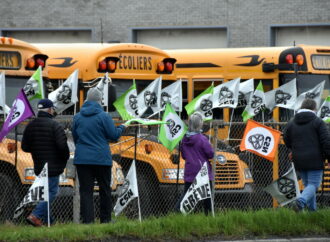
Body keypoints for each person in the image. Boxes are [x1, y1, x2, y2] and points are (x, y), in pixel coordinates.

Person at [72, 87, 125, 224]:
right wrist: (122, 127)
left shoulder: (77, 117)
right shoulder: (104, 116)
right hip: (101, 159)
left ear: (87, 100)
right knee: (105, 190)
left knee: (85, 191)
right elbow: (113, 135)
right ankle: (105, 219)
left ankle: (88, 221)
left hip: (83, 160)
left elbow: (75, 137)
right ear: (99, 101)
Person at [21, 99, 70, 226]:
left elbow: (25, 147)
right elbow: (62, 146)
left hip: (38, 166)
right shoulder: (55, 126)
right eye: (52, 109)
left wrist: (37, 150)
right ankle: (35, 215)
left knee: (45, 194)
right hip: (53, 166)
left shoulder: (30, 125)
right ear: (49, 110)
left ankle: (50, 222)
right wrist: (65, 158)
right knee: (52, 192)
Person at [283, 98, 330, 211]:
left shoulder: (292, 123)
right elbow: (326, 142)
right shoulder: (318, 122)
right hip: (315, 158)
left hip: (298, 159)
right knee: (313, 185)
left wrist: (292, 149)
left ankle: (312, 213)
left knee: (309, 185)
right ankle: (301, 201)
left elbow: (286, 138)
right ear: (314, 108)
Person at [176, 112, 214, 214]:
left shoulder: (184, 139)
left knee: (186, 195)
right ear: (199, 124)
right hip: (203, 171)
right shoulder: (202, 139)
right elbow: (211, 154)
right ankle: (208, 216)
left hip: (190, 171)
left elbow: (184, 156)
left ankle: (177, 212)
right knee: (207, 197)